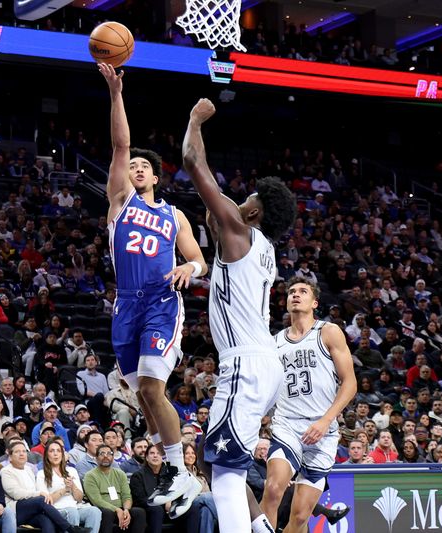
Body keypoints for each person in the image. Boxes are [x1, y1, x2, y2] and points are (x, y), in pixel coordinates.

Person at [182, 97, 297, 533]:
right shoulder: (260, 246)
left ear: (254, 210)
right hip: (263, 364)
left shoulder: (241, 229)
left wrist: (196, 119)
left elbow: (193, 161)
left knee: (223, 472)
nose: (241, 197)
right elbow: (216, 213)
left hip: (245, 364)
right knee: (229, 460)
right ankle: (261, 528)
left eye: (248, 196)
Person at [98, 63, 207, 517]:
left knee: (151, 384)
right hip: (126, 304)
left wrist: (190, 268)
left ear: (156, 177)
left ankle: (180, 469)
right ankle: (175, 470)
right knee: (142, 393)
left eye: (144, 166)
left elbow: (200, 259)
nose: (136, 168)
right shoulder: (119, 202)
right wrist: (116, 93)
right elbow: (121, 143)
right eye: (133, 167)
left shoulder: (174, 216)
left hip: (162, 302)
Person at [261, 278, 356, 533]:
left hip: (322, 429)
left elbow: (350, 384)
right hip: (287, 425)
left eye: (302, 291)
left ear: (314, 302)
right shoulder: (274, 342)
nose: (295, 295)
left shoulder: (328, 332)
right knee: (273, 489)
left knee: (301, 517)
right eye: (291, 291)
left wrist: (326, 421)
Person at [0, 440, 75, 533]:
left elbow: (33, 491)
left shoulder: (29, 469)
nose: (22, 454)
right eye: (17, 452)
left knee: (46, 520)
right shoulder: (6, 471)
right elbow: (16, 494)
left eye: (24, 451)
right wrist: (38, 493)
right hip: (16, 510)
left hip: (31, 509)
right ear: (10, 457)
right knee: (42, 499)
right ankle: (70, 529)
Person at [36, 439, 102, 532]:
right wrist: (65, 490)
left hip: (76, 507)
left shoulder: (71, 471)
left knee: (95, 512)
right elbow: (45, 502)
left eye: (58, 451)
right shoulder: (41, 474)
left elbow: (79, 498)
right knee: (72, 512)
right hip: (57, 510)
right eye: (52, 451)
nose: (55, 454)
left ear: (62, 454)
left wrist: (73, 486)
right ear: (47, 455)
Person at [130, 445, 199, 533]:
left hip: (168, 509)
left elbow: (179, 491)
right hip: (149, 510)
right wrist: (161, 503)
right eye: (152, 453)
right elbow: (139, 499)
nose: (155, 455)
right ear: (146, 458)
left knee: (192, 508)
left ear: (163, 457)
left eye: (158, 453)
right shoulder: (138, 475)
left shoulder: (171, 473)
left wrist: (171, 502)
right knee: (157, 509)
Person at [83, 443, 146, 533]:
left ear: (113, 458)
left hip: (122, 509)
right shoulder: (90, 475)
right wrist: (116, 509)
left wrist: (126, 510)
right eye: (102, 454)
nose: (106, 456)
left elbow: (126, 495)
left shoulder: (120, 473)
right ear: (96, 458)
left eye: (109, 454)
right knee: (107, 513)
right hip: (104, 509)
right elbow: (96, 500)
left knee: (139, 512)